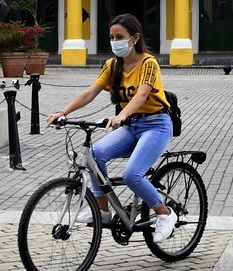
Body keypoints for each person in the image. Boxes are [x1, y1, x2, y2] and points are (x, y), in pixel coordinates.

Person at [47, 14, 179, 242]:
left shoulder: (149, 63)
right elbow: (90, 92)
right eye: (111, 37)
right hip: (132, 126)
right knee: (95, 155)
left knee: (132, 175)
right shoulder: (112, 65)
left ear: (135, 38)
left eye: (120, 37)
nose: (114, 41)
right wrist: (63, 112)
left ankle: (164, 213)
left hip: (156, 125)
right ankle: (104, 211)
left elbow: (142, 94)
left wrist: (122, 115)